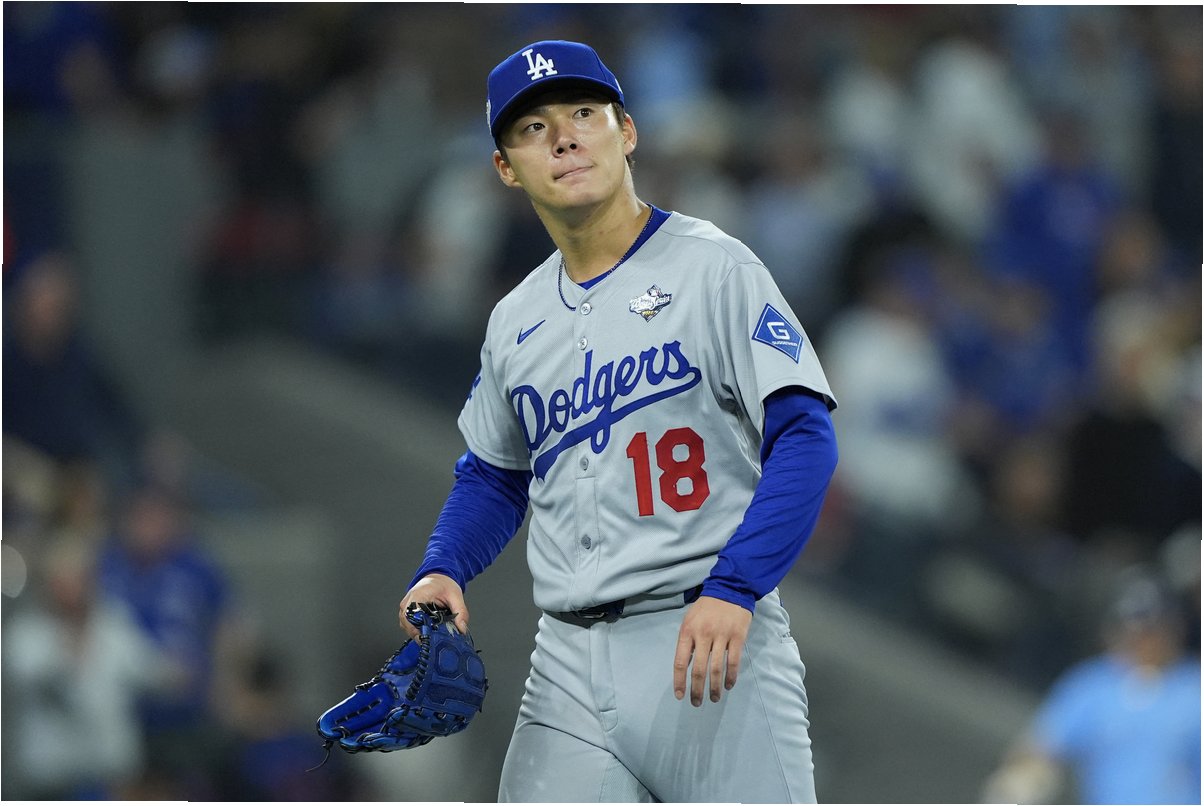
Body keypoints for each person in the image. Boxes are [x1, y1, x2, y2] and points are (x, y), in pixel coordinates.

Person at [396, 40, 838, 803]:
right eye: (533, 128)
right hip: (565, 661)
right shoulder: (515, 319)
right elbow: (495, 476)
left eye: (582, 114)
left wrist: (737, 586)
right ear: (505, 167)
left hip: (704, 633)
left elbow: (804, 434)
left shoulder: (714, 267)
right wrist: (443, 567)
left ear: (626, 132)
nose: (564, 138)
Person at [981, 567, 1201, 805]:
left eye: (1153, 629)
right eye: (1134, 627)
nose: (1142, 639)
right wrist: (1020, 783)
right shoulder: (1094, 684)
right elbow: (1041, 748)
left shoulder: (1194, 690)